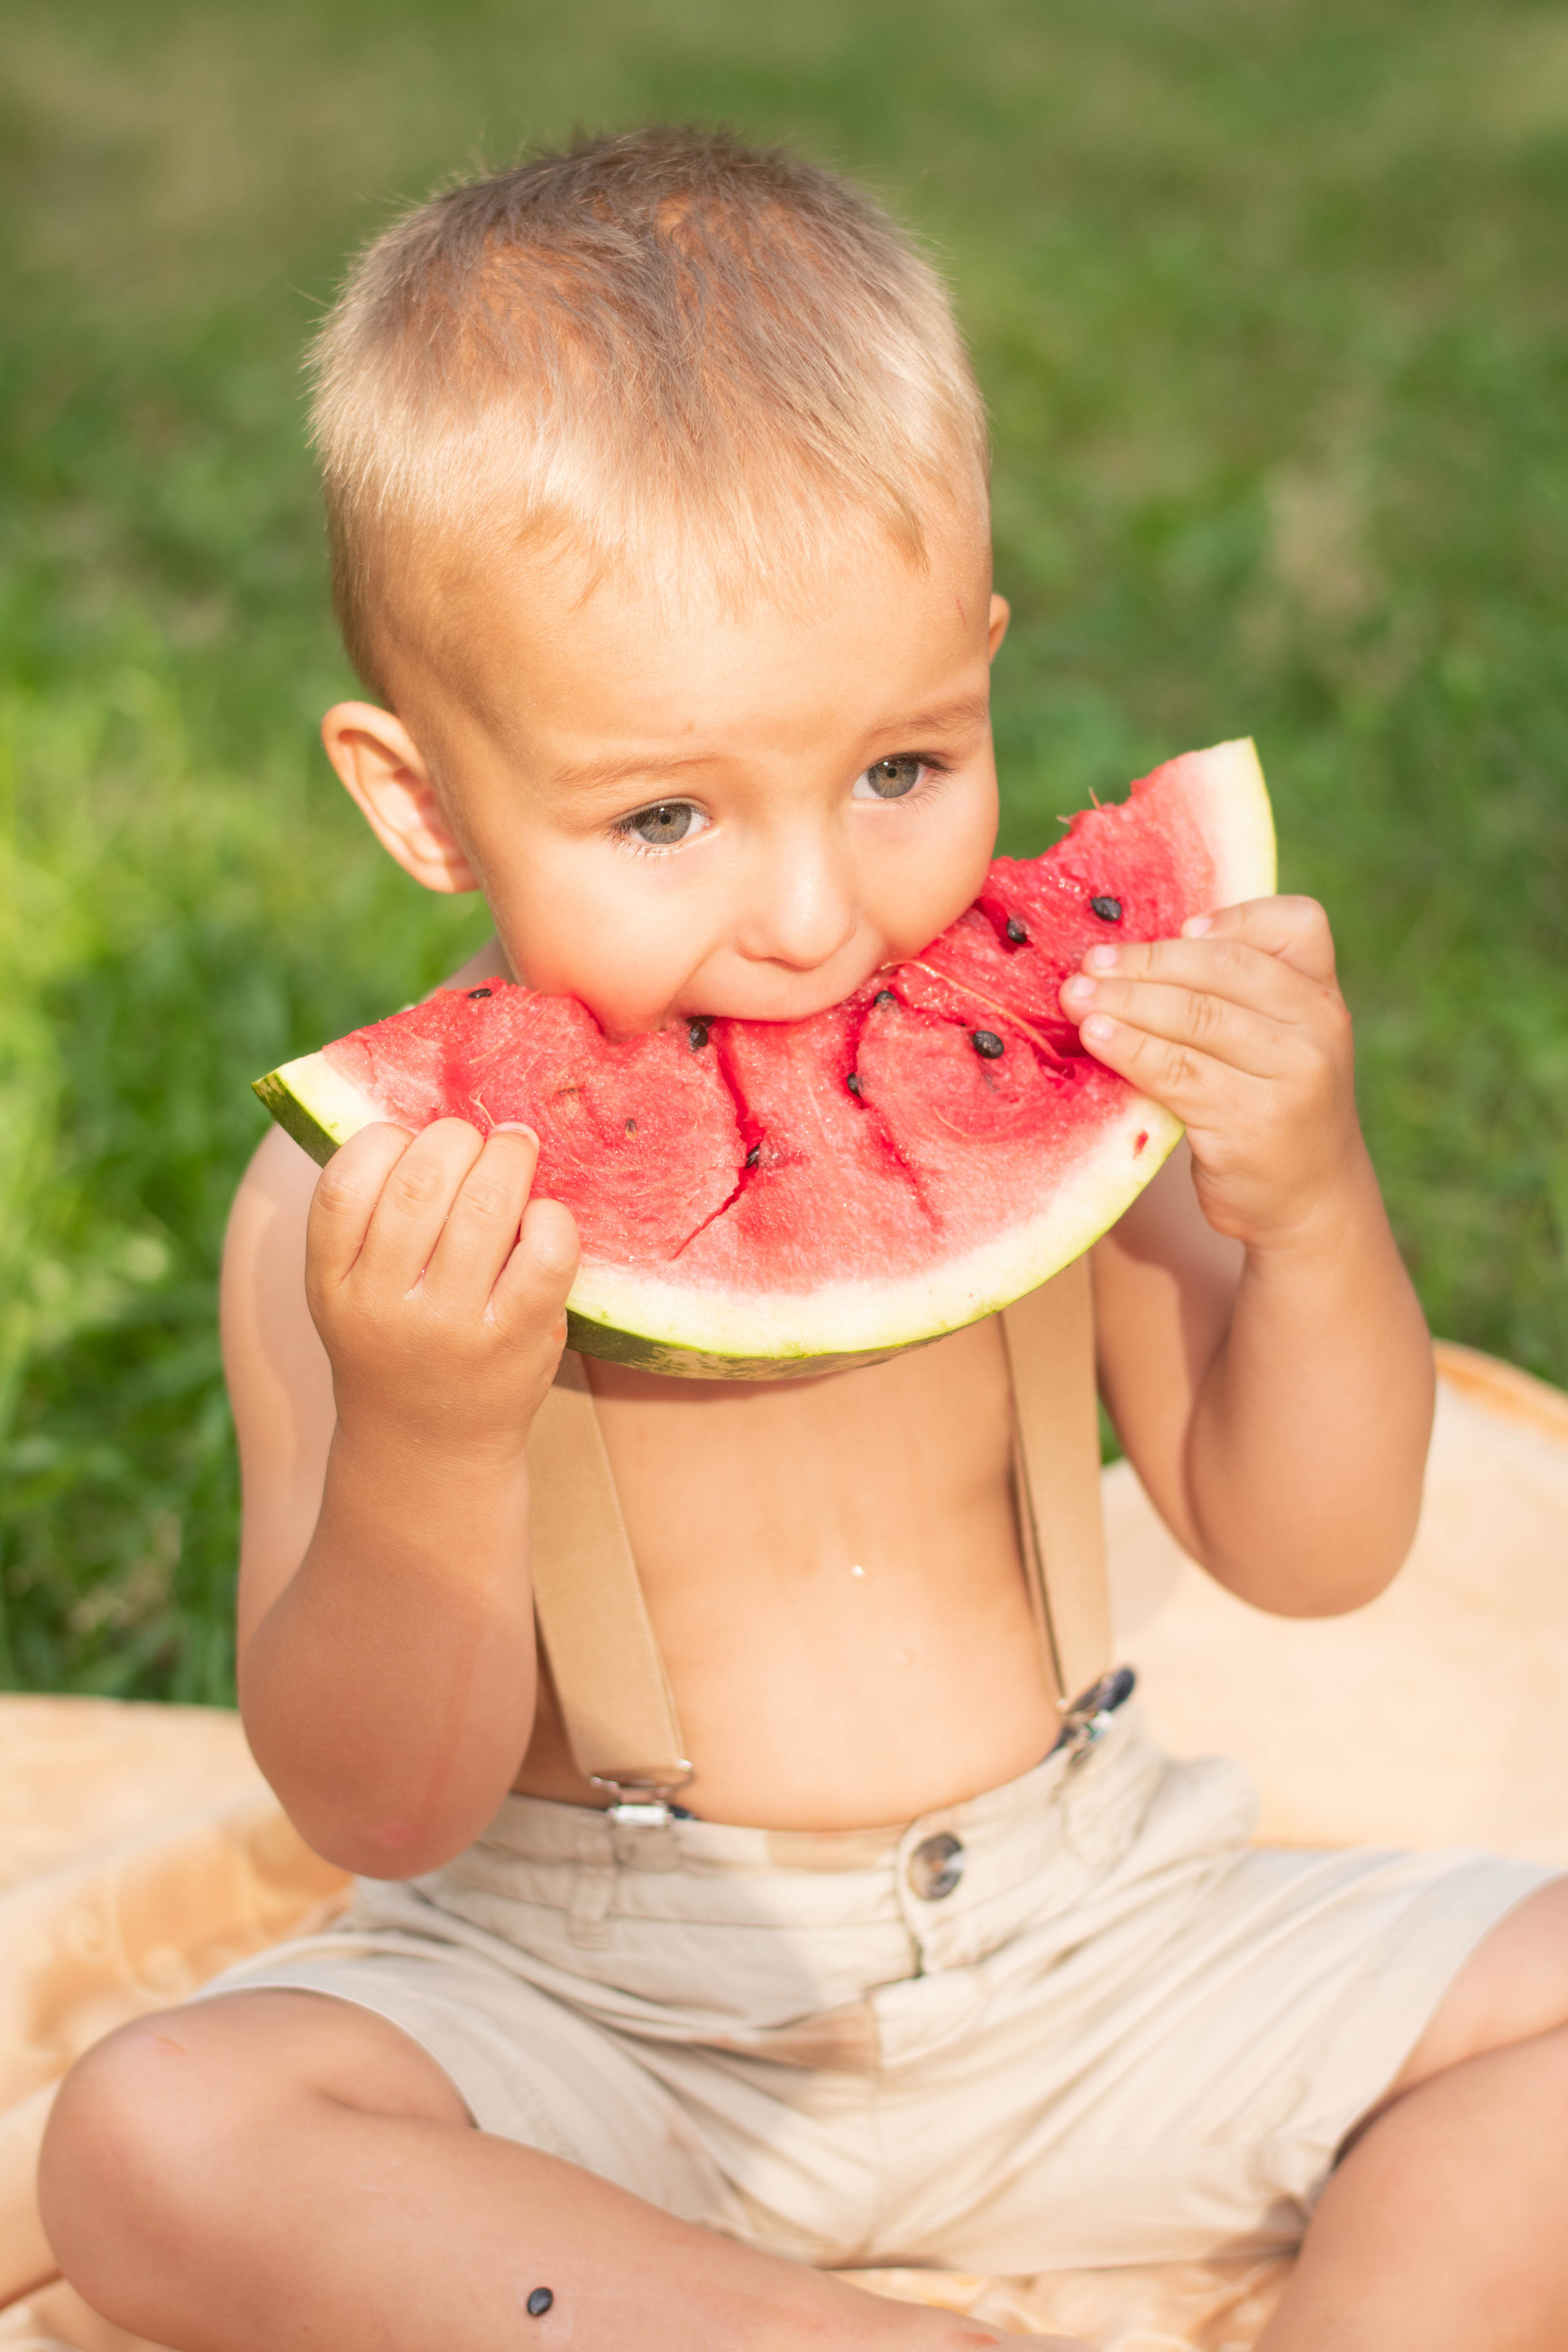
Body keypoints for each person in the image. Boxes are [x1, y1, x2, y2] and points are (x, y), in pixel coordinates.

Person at [36, 127, 1568, 2352]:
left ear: (982, 657)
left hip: (1096, 1935)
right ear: (419, 797)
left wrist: (1310, 1201)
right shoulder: (363, 1211)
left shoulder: (1069, 1050)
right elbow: (378, 1795)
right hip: (582, 2014)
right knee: (163, 2136)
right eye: (665, 815)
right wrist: (430, 1434)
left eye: (901, 770)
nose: (816, 913)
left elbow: (1313, 1543)